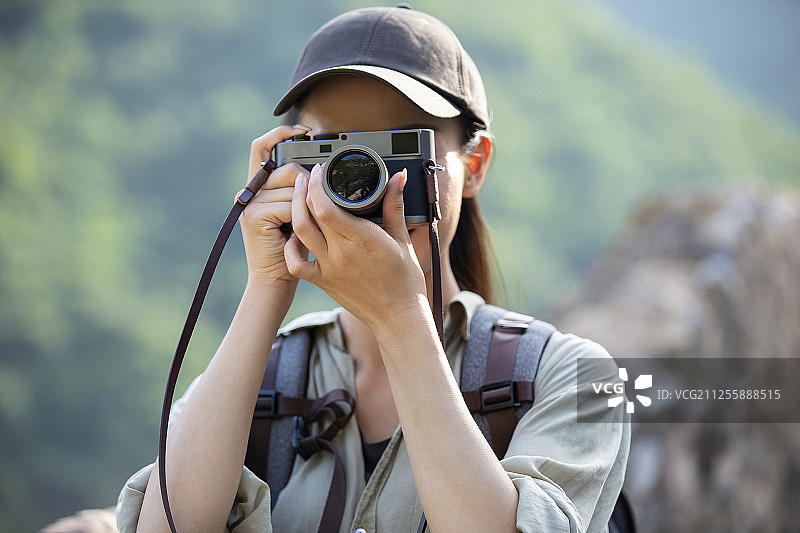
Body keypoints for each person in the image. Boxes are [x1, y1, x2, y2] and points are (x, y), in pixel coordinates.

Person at [117, 6, 630, 533]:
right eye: (335, 150)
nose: (363, 183)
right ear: (289, 158)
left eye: (399, 149)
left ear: (474, 166)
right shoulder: (261, 378)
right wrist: (267, 287)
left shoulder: (574, 377)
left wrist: (400, 318)